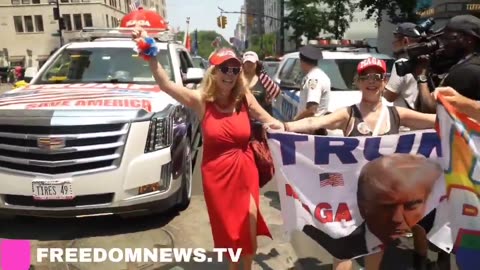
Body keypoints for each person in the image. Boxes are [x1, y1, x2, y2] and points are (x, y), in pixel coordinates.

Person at [131, 27, 283, 270]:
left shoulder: (244, 98)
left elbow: (271, 121)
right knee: (231, 235)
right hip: (217, 176)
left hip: (245, 171)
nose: (230, 74)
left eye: (235, 69)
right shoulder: (202, 101)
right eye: (225, 69)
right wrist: (150, 55)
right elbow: (166, 84)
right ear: (214, 72)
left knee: (249, 232)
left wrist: (300, 131)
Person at [267, 57, 436, 270]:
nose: (371, 81)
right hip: (348, 199)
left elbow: (435, 122)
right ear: (358, 81)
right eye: (366, 77)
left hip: (380, 202)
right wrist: (284, 126)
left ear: (384, 81)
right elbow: (314, 121)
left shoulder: (396, 114)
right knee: (344, 253)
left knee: (375, 251)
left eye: (377, 76)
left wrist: (465, 115)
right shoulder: (348, 114)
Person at [420, 14, 480, 113]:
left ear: (469, 40)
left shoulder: (467, 72)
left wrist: (421, 77)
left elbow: (432, 111)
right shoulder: (472, 63)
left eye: (450, 38)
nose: (444, 43)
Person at [384, 22, 422, 111]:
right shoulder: (424, 62)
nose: (393, 42)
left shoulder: (402, 64)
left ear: (405, 40)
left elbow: (389, 97)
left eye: (396, 38)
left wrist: (382, 84)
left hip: (406, 121)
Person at [295, 45, 331, 121]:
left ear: (302, 61)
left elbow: (312, 109)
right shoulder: (317, 75)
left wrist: (294, 121)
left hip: (311, 127)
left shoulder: (314, 79)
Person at [242, 51, 280, 115]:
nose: (249, 64)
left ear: (257, 64)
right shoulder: (237, 79)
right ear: (243, 64)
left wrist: (269, 99)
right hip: (242, 118)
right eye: (247, 62)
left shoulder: (263, 78)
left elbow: (277, 93)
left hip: (260, 119)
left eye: (252, 62)